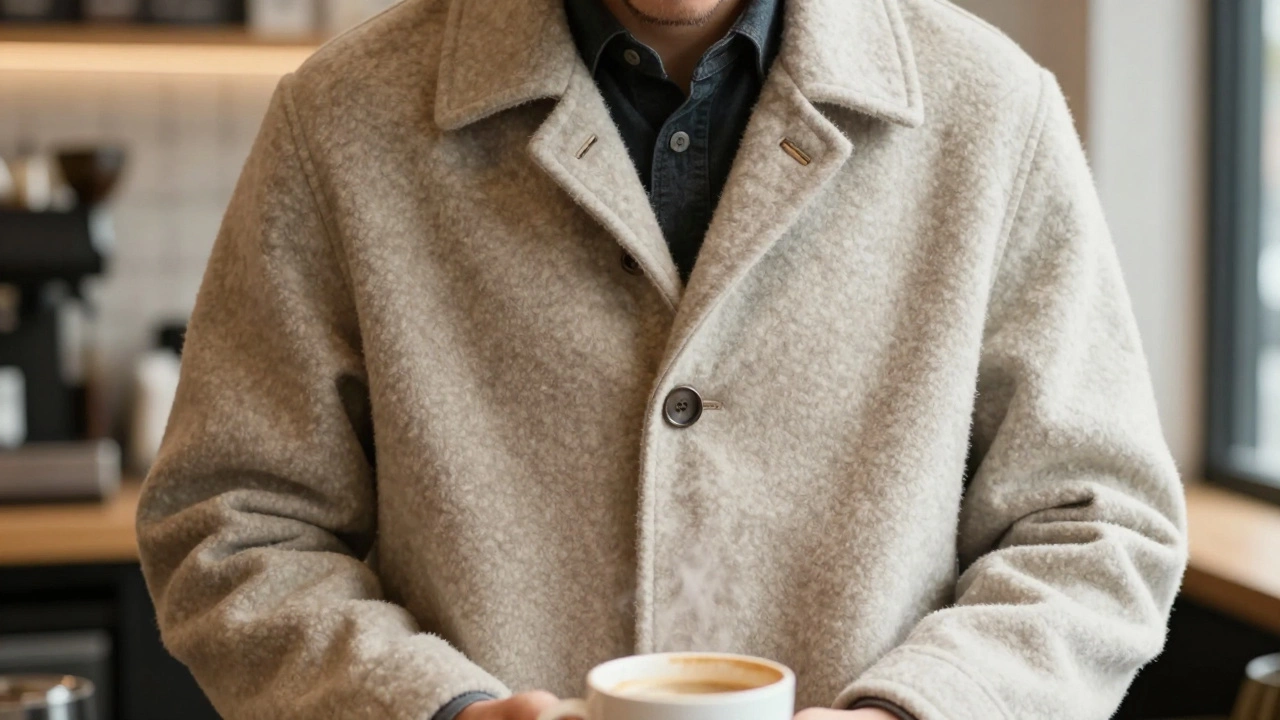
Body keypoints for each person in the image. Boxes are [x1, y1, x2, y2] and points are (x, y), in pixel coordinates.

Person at [134, 0, 1188, 718]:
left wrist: (920, 712)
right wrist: (434, 708)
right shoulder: (343, 118)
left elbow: (1097, 527)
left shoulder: (990, 114)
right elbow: (233, 524)